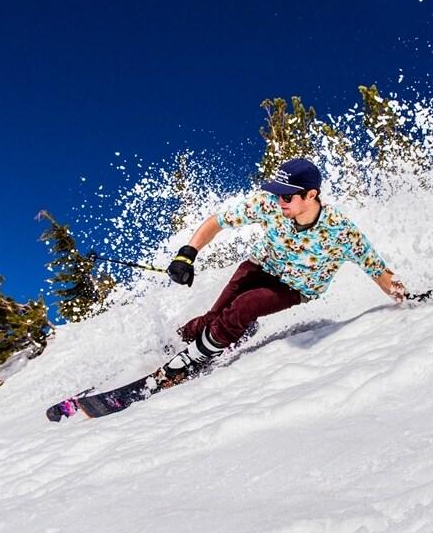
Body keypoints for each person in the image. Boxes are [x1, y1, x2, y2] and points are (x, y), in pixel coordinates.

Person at [160, 157, 407, 383]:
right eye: (278, 194)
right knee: (213, 319)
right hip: (258, 266)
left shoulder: (340, 231)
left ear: (311, 195)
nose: (280, 201)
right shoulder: (269, 205)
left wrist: (409, 300)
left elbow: (378, 271)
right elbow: (218, 222)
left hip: (294, 287)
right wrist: (187, 254)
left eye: (287, 196)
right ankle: (174, 343)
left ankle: (194, 358)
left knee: (246, 305)